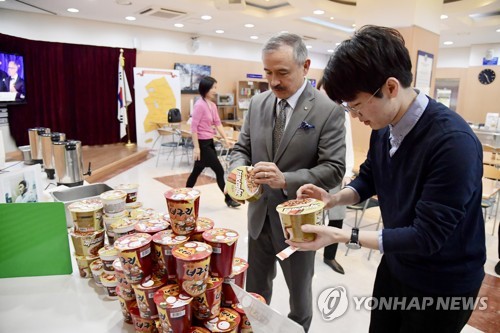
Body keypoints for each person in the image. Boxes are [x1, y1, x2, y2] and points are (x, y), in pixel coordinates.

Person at [288, 25, 486, 333]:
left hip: (442, 283)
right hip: (397, 264)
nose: (354, 116)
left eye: (355, 106)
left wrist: (344, 236)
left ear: (391, 87)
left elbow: (426, 237)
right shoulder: (384, 125)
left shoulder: (452, 143)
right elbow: (370, 177)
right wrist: (334, 198)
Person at [229, 32, 346, 332]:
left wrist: (287, 180)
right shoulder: (258, 104)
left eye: (282, 73)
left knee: (300, 299)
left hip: (299, 226)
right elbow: (241, 149)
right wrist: (239, 170)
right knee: (255, 294)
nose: (273, 81)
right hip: (258, 222)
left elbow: (334, 169)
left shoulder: (328, 110)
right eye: (268, 72)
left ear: (305, 66)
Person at [186, 76, 241, 208]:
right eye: (213, 88)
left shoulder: (212, 105)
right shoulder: (199, 105)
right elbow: (193, 128)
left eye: (216, 87)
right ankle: (228, 199)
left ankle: (185, 195)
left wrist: (226, 138)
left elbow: (217, 123)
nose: (215, 90)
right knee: (219, 171)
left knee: (196, 171)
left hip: (209, 142)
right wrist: (197, 148)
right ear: (206, 89)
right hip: (203, 145)